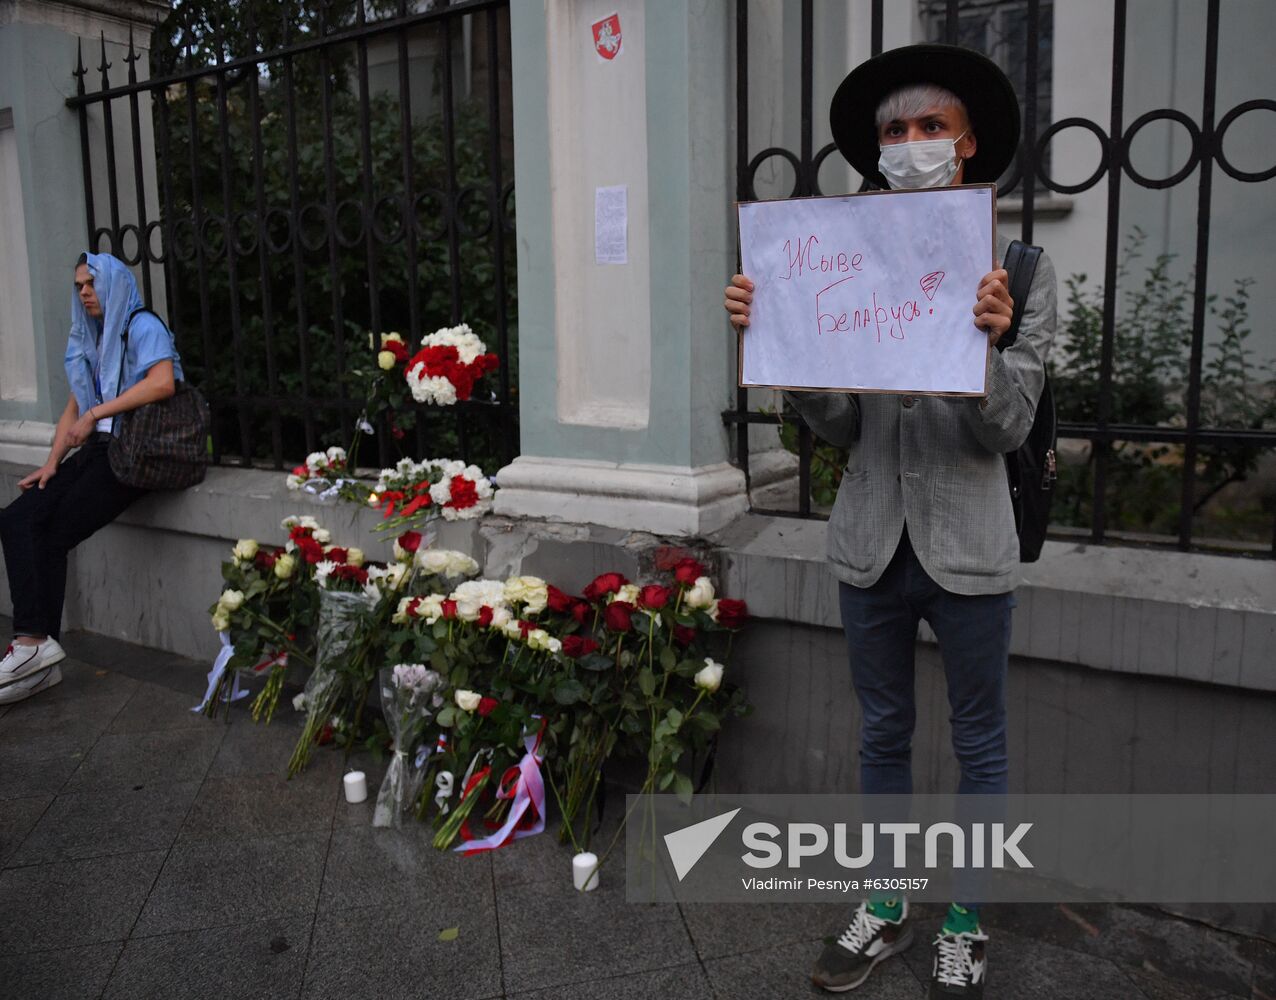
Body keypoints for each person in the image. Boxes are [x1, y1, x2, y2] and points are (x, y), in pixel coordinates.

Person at [723, 44, 1057, 998]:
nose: (910, 145)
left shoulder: (1024, 272)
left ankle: (964, 915)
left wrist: (993, 339)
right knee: (882, 735)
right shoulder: (848, 260)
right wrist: (779, 338)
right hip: (871, 543)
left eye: (929, 127)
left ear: (966, 144)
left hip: (970, 548)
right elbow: (836, 425)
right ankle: (886, 900)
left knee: (980, 741)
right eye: (894, 131)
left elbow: (1007, 428)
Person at [0, 252, 184, 703]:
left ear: (115, 285)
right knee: (17, 520)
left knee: (46, 530)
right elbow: (74, 408)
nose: (83, 292)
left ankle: (32, 645)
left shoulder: (142, 326)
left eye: (91, 284)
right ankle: (37, 649)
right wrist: (51, 462)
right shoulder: (94, 337)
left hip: (133, 455)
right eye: (79, 286)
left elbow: (164, 383)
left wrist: (99, 413)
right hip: (100, 453)